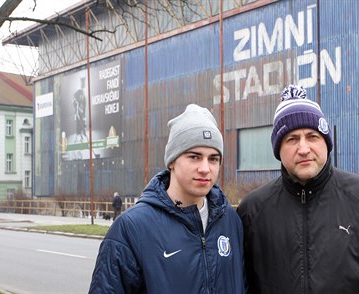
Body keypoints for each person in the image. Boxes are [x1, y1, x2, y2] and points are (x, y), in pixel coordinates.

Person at [237, 85, 359, 293]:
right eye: (292, 139)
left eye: (312, 136)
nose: (304, 148)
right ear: (278, 149)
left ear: (326, 143)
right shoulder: (252, 212)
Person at [90, 104, 245, 293]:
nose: (205, 168)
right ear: (172, 161)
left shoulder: (231, 221)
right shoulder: (132, 228)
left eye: (213, 159)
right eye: (194, 157)